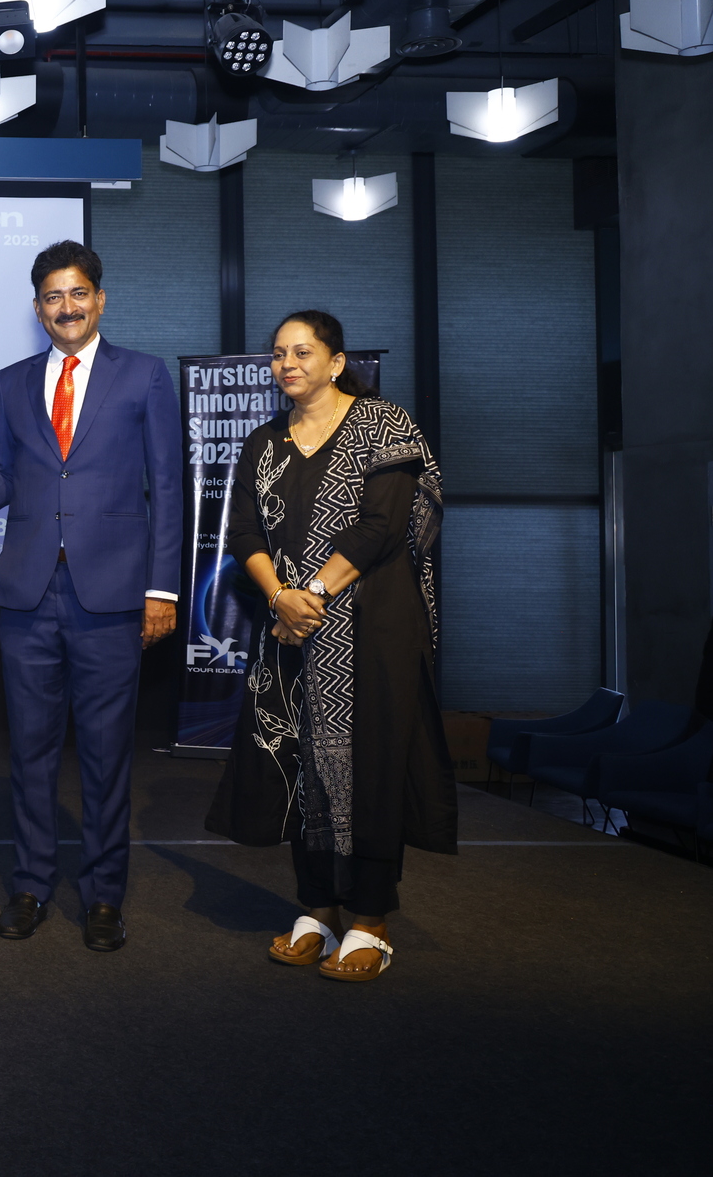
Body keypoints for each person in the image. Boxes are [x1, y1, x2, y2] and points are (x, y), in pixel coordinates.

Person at [0, 240, 182, 950]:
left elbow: (168, 487)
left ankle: (103, 897)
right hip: (27, 596)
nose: (65, 307)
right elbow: (6, 475)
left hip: (114, 597)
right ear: (37, 307)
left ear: (99, 299)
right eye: (51, 297)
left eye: (77, 293)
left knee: (105, 756)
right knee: (30, 753)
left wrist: (161, 589)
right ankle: (31, 885)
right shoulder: (12, 381)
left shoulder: (144, 375)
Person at [204, 310, 453, 982]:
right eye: (278, 353)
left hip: (374, 629)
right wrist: (280, 598)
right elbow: (245, 534)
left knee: (371, 767)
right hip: (289, 631)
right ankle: (316, 909)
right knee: (300, 766)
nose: (286, 363)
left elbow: (382, 526)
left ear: (337, 362)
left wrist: (308, 595)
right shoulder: (264, 442)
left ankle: (371, 919)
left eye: (303, 352)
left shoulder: (383, 424)